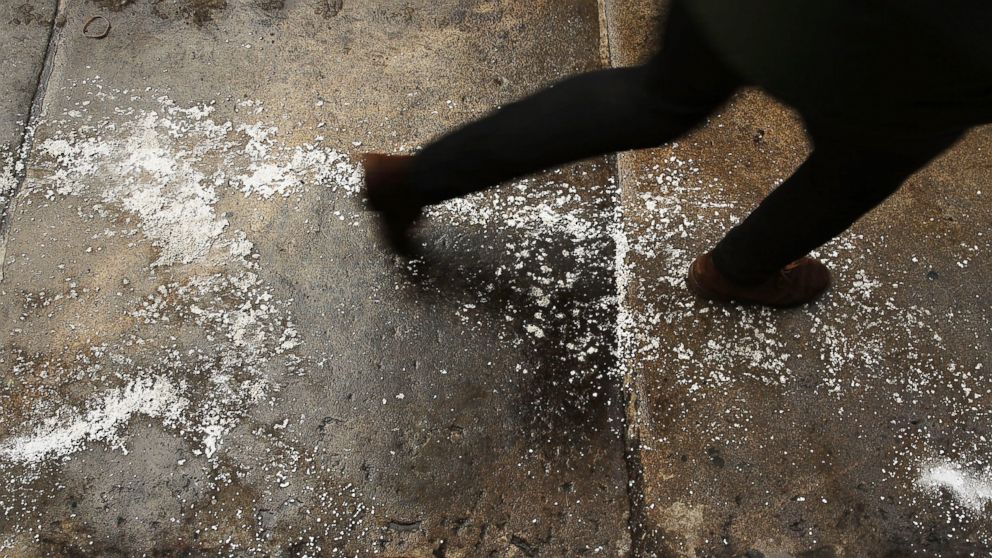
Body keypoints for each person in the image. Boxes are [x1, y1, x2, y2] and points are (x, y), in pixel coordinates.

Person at [363, 0, 992, 308]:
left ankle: (414, 179)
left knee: (654, 97)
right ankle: (738, 269)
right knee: (857, 166)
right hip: (927, 52)